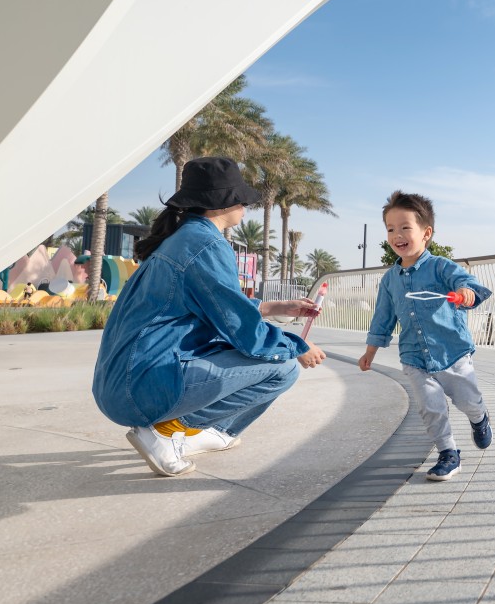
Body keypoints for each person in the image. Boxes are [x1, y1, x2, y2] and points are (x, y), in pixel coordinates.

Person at [92, 156, 326, 477]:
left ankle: (206, 434)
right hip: (142, 388)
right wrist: (297, 345)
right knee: (282, 367)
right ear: (221, 202)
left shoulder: (182, 240)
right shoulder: (206, 245)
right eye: (240, 197)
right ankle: (169, 431)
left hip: (121, 385)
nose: (246, 204)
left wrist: (273, 307)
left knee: (265, 359)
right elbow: (243, 332)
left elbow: (211, 304)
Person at [358, 191, 492, 480]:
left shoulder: (441, 267)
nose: (397, 235)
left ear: (426, 233)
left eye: (405, 227)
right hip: (415, 357)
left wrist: (467, 293)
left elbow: (467, 282)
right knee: (430, 407)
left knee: (467, 401)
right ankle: (448, 453)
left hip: (452, 353)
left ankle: (479, 418)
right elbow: (382, 317)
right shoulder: (390, 279)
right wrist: (370, 351)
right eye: (391, 229)